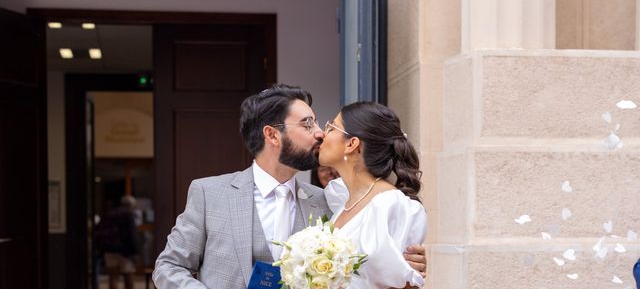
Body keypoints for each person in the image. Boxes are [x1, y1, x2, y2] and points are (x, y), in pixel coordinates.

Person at [153, 84, 427, 289]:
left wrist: (406, 267)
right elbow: (168, 267)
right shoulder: (209, 194)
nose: (320, 132)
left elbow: (373, 258)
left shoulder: (328, 203)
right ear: (272, 134)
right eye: (308, 124)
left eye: (321, 124)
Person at [320, 101, 427, 289]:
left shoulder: (389, 204)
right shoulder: (341, 200)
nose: (322, 133)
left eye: (331, 127)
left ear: (352, 144)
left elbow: (401, 283)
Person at [96, 195, 139, 289]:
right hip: (124, 250)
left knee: (113, 277)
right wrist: (135, 251)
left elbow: (99, 229)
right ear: (130, 205)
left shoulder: (109, 213)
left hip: (109, 248)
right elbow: (131, 234)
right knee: (128, 276)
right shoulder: (128, 214)